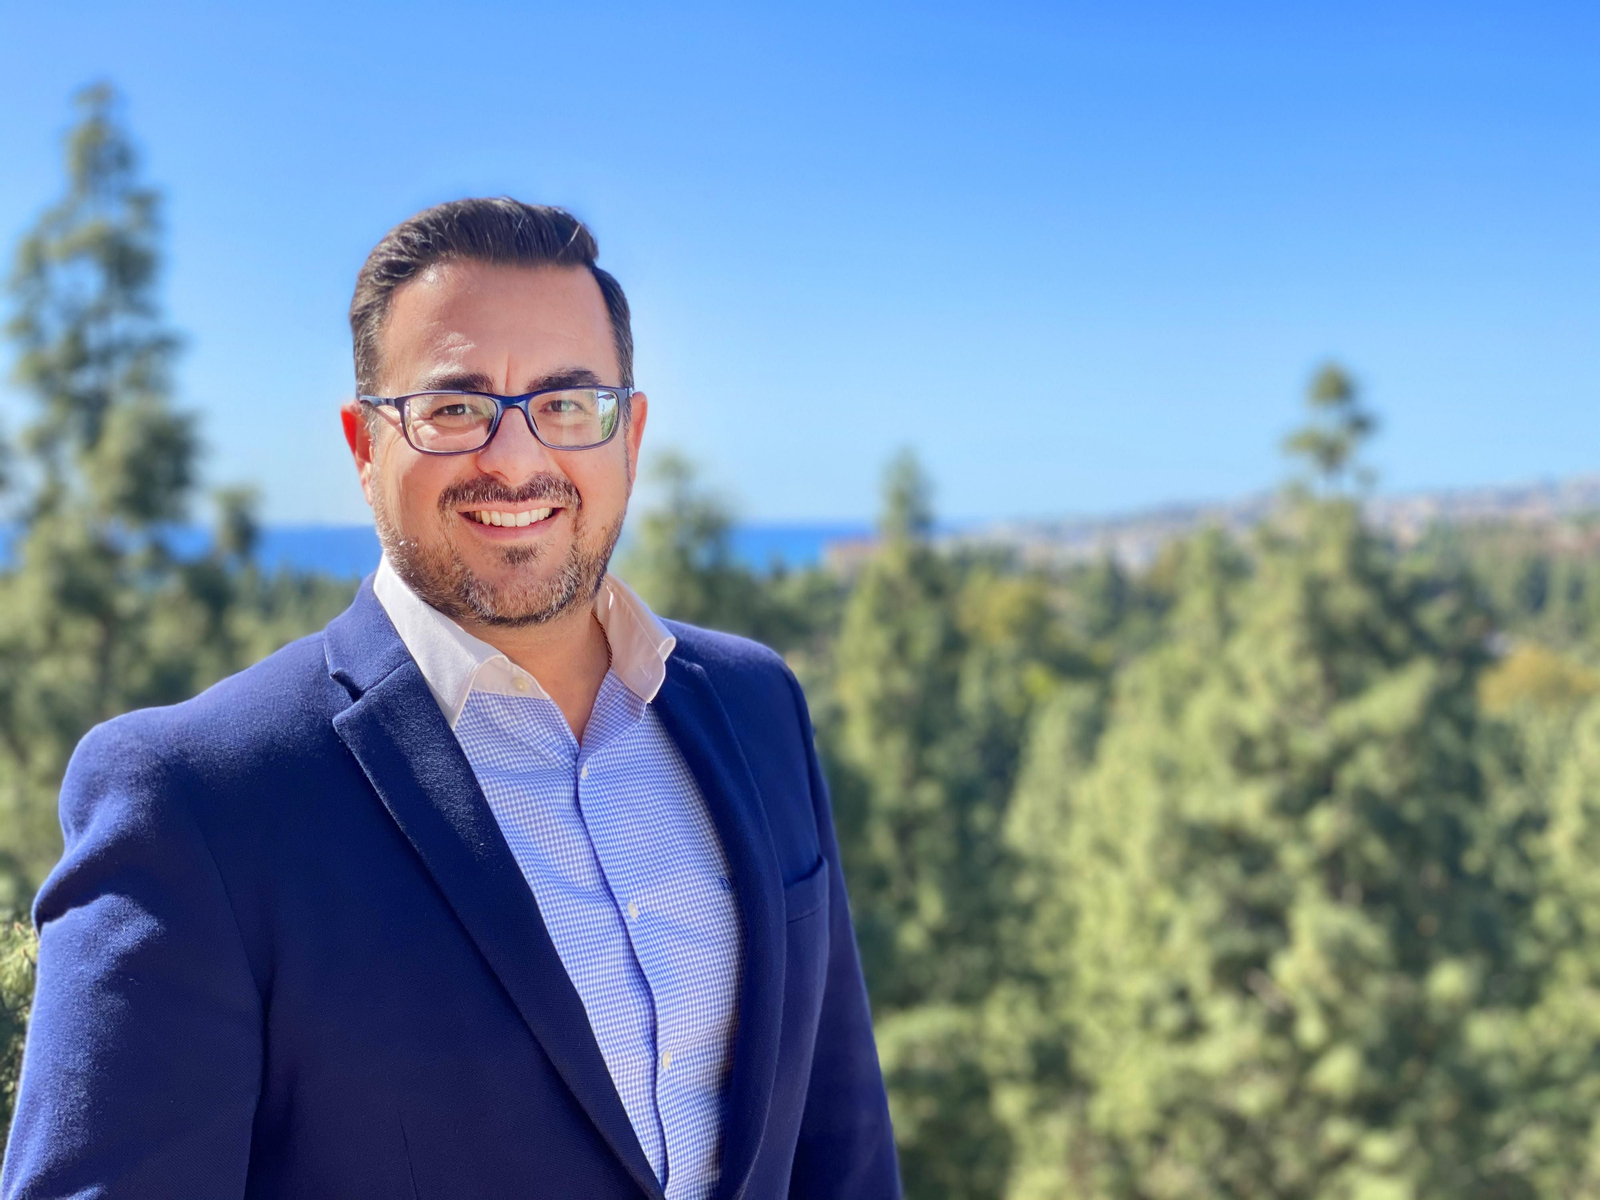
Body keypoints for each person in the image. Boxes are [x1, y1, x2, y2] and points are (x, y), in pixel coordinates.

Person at [1, 198, 900, 1199]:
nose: (516, 460)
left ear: (629, 433)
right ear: (363, 445)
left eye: (567, 404)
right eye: (454, 408)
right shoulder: (198, 800)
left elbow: (841, 1142)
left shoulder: (756, 706)